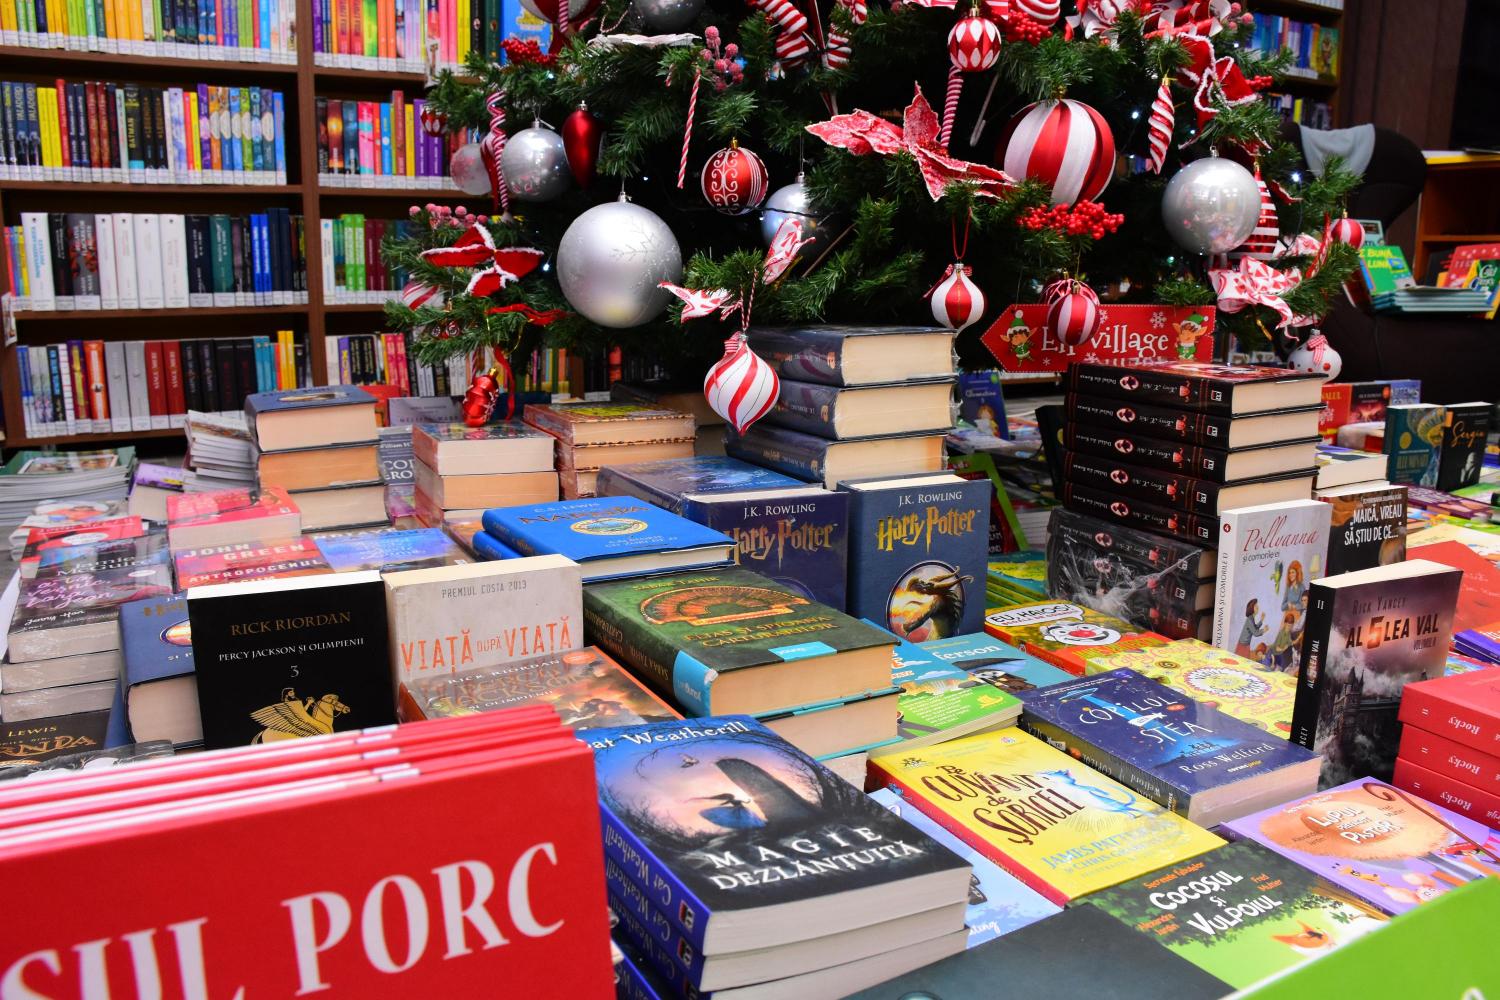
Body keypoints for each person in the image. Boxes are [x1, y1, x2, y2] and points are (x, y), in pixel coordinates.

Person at [1236, 598, 1269, 662]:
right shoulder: (1249, 620)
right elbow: (1255, 633)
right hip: (1243, 646)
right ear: (1251, 608)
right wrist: (1263, 630)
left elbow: (1255, 628)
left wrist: (1261, 620)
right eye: (1255, 606)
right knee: (1242, 662)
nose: (1257, 607)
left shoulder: (1251, 618)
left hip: (1245, 645)